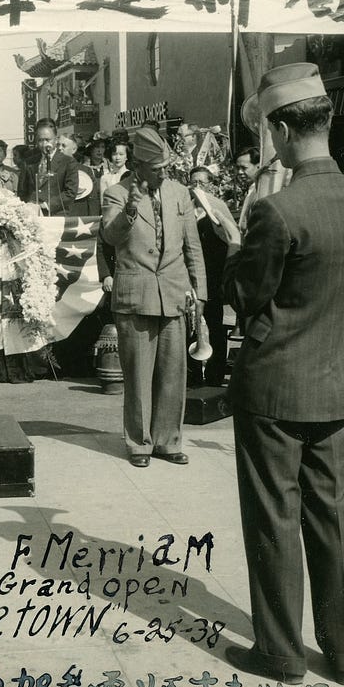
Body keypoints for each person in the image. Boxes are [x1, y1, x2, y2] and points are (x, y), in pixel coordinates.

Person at [222, 63, 344, 687]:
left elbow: (248, 296)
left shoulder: (279, 212)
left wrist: (236, 244)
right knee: (334, 516)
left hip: (274, 383)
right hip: (333, 380)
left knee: (274, 520)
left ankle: (282, 655)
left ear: (285, 130)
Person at [98, 125, 206, 468]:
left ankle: (168, 441)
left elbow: (193, 246)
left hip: (173, 293)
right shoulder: (117, 192)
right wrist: (130, 211)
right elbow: (110, 236)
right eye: (156, 168)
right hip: (135, 294)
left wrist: (200, 291)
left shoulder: (179, 193)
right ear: (139, 164)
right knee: (139, 375)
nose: (163, 173)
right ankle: (140, 443)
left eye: (166, 167)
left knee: (174, 373)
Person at [187, 167, 237, 387]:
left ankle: (215, 376)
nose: (198, 187)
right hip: (191, 278)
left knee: (215, 327)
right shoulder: (185, 207)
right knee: (191, 325)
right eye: (194, 182)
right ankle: (194, 374)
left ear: (211, 185)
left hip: (213, 277)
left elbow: (230, 238)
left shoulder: (218, 206)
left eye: (202, 183)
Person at [19, 119, 79, 216]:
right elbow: (22, 191)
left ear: (56, 139)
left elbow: (70, 192)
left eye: (48, 140)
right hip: (31, 215)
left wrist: (47, 205)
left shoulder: (68, 162)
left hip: (57, 215)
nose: (44, 144)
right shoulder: (29, 162)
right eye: (40, 140)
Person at [233, 148, 261, 228]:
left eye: (244, 168)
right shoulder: (251, 189)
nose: (240, 172)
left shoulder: (260, 190)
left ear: (258, 166)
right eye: (237, 168)